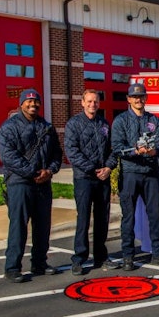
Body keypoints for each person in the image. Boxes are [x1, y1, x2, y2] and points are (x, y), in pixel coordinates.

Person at [0, 89, 63, 283]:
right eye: (29, 101)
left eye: (36, 102)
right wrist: (33, 172)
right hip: (19, 184)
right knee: (18, 226)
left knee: (42, 226)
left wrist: (49, 171)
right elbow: (8, 156)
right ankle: (12, 267)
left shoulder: (47, 127)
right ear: (21, 104)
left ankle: (39, 263)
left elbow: (57, 154)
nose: (33, 104)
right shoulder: (9, 128)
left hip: (43, 183)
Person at [111, 83, 159, 271]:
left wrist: (155, 150)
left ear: (145, 98)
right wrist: (136, 151)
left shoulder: (154, 120)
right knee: (128, 217)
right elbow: (117, 147)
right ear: (129, 99)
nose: (138, 100)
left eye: (141, 97)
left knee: (155, 215)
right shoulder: (121, 121)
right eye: (135, 97)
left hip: (151, 173)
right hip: (130, 173)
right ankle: (128, 255)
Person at [64, 89, 119, 275]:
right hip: (84, 179)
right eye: (89, 101)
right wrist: (91, 169)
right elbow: (72, 151)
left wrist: (109, 168)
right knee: (84, 218)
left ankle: (101, 256)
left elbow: (113, 150)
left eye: (95, 101)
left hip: (102, 179)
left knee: (102, 219)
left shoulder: (104, 124)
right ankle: (79, 258)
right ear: (82, 102)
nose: (92, 104)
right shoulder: (74, 124)